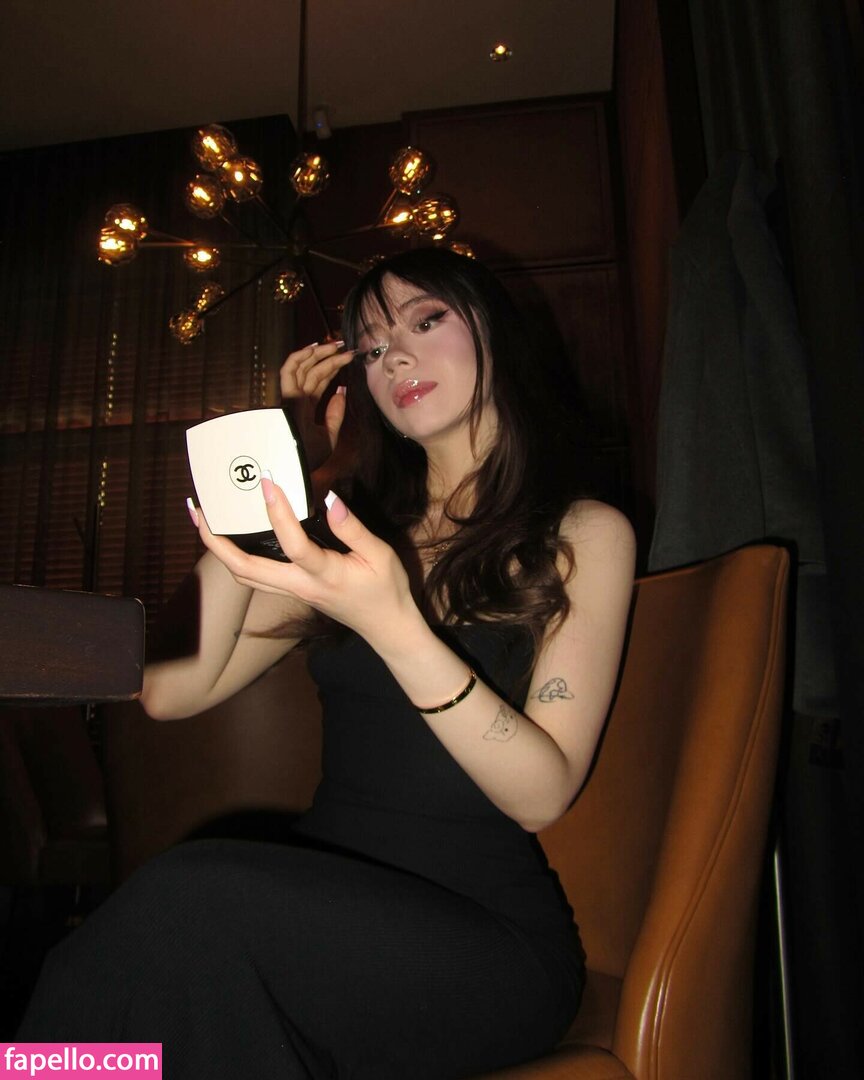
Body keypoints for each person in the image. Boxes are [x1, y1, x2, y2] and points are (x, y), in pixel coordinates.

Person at [18, 248, 635, 1078]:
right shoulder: (358, 540)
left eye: (425, 321)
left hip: (481, 944)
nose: (396, 357)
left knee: (190, 906)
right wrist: (276, 479)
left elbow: (541, 794)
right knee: (140, 965)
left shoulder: (579, 533)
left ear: (496, 329)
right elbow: (170, 690)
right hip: (312, 907)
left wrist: (393, 623)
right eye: (372, 349)